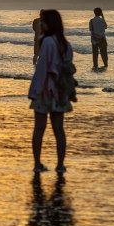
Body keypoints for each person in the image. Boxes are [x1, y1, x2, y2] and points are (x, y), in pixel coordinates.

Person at [28, 9, 74, 174]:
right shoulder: (65, 44)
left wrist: (33, 91)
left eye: (43, 21)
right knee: (59, 129)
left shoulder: (46, 42)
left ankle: (37, 163)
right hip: (60, 92)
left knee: (39, 128)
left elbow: (41, 69)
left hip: (45, 90)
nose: (41, 24)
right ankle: (60, 165)